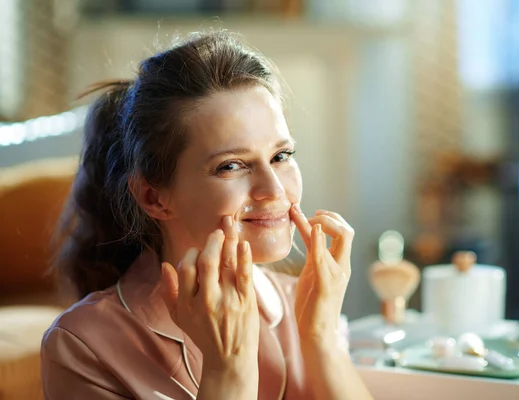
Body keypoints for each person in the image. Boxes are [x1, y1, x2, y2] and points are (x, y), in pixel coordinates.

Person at [40, 30, 374, 400]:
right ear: (154, 197)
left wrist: (321, 337)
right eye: (231, 166)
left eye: (281, 157)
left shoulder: (306, 305)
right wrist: (226, 370)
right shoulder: (83, 346)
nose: (275, 190)